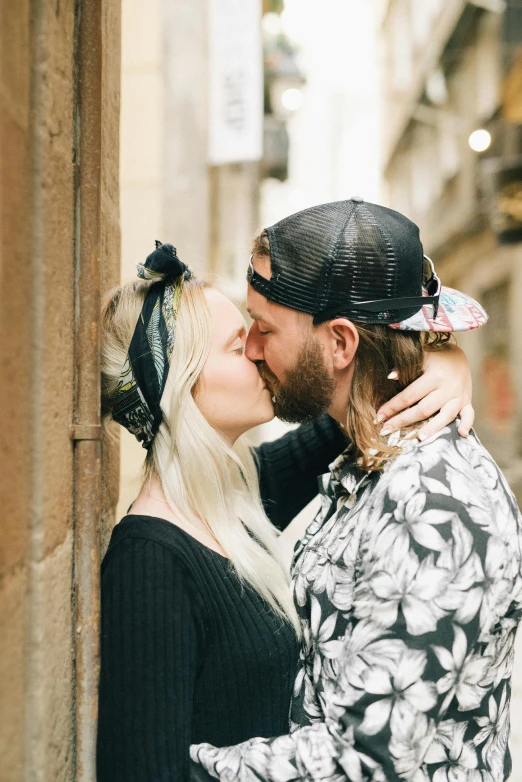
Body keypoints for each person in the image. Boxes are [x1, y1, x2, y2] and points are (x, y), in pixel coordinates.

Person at [96, 235, 475, 782]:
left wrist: (440, 359)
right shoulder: (149, 563)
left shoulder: (236, 495)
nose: (256, 350)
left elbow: (350, 402)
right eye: (235, 345)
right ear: (178, 384)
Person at [190, 199, 521, 782]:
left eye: (264, 330)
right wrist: (434, 357)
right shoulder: (369, 451)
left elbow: (365, 760)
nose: (254, 350)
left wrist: (175, 765)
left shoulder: (436, 504)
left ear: (341, 343)